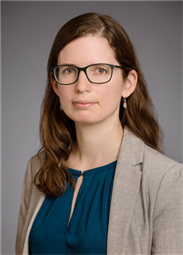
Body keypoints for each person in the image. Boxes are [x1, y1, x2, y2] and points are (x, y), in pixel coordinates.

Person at [16, 12, 183, 255]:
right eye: (69, 71)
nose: (81, 86)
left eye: (100, 70)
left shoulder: (165, 179)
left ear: (128, 83)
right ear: (55, 84)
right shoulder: (37, 168)